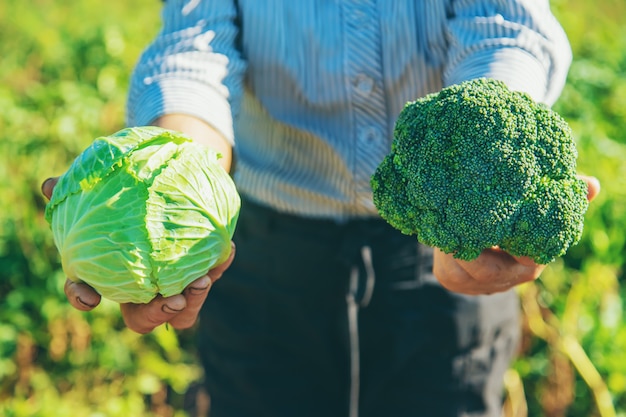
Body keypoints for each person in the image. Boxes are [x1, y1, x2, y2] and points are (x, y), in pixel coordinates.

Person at [41, 1, 601, 416]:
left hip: (439, 241)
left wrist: (476, 175)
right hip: (265, 250)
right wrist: (169, 184)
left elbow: (502, 27)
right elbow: (195, 46)